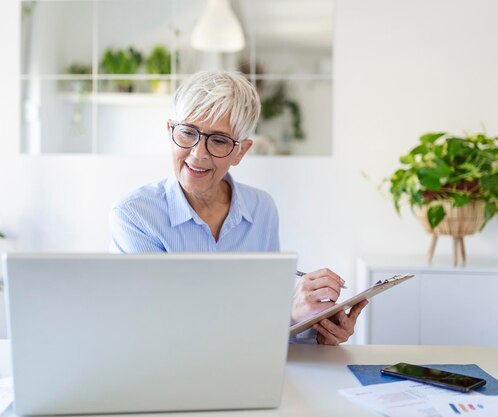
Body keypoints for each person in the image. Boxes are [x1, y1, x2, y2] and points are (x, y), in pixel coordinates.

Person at [110, 70, 367, 345]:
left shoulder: (261, 210)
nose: (198, 153)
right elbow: (160, 329)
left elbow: (266, 330)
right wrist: (287, 314)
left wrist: (315, 329)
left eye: (219, 140)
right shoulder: (135, 216)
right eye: (187, 133)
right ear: (170, 131)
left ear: (240, 152)